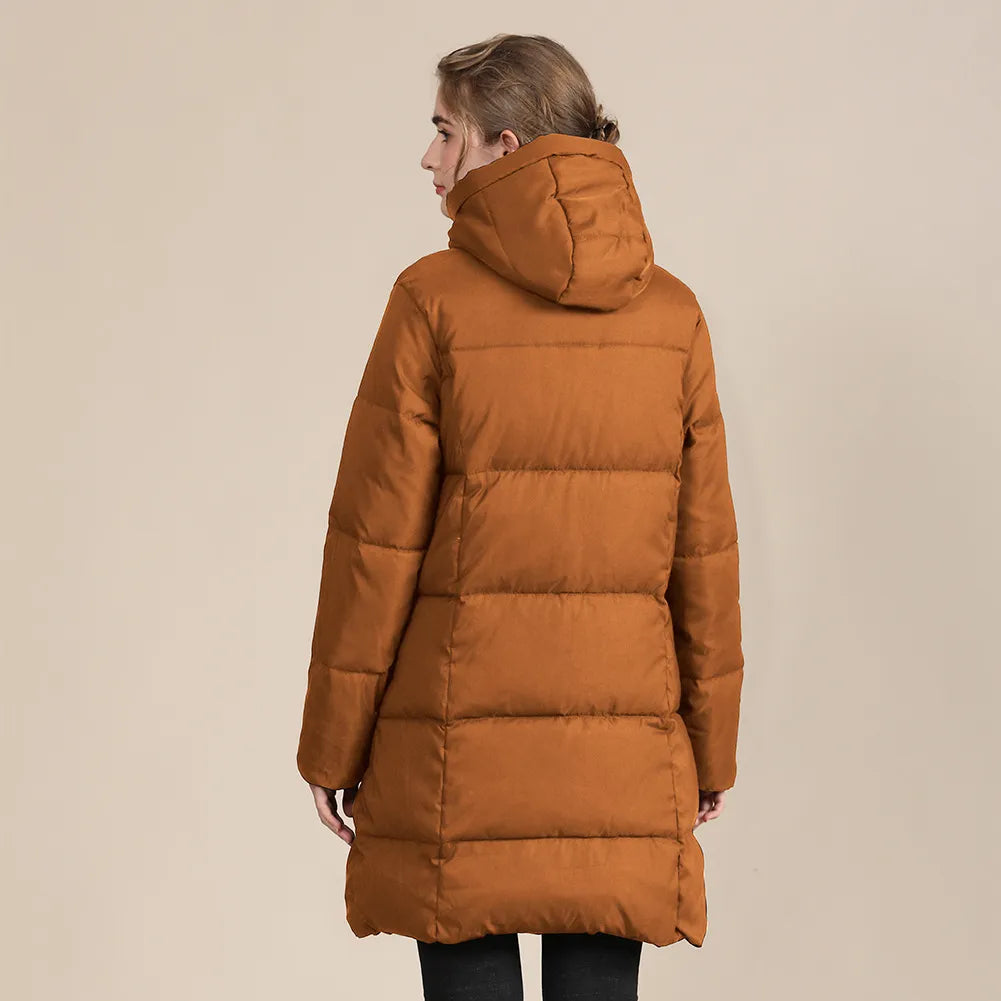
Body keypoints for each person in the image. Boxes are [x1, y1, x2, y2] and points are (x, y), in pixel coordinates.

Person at [296, 32, 744, 1001]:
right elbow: (703, 554)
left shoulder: (430, 302)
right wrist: (712, 746)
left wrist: (331, 746)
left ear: (503, 146)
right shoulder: (671, 315)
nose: (427, 157)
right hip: (622, 751)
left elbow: (374, 547)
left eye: (443, 131)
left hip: (452, 749)